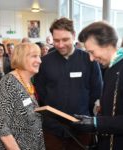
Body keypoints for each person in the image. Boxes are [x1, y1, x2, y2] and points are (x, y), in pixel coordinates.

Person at [73, 21, 123, 150]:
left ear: (107, 45)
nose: (91, 58)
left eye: (92, 52)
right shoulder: (112, 68)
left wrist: (96, 123)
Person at [34, 17, 103, 150]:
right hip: (52, 130)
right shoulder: (45, 62)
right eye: (56, 40)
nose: (60, 45)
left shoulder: (89, 60)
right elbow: (41, 92)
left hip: (81, 128)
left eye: (65, 39)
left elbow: (96, 92)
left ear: (74, 35)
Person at [0, 43, 45, 150]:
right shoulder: (8, 83)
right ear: (21, 58)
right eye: (34, 56)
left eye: (39, 56)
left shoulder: (28, 81)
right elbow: (1, 126)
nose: (40, 61)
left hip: (34, 144)